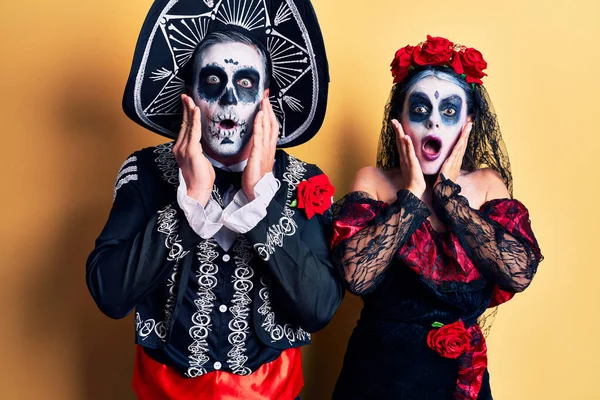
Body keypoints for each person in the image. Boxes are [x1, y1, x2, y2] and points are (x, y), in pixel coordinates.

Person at [86, 1, 342, 399]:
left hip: (269, 390)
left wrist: (261, 202)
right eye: (212, 81)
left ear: (265, 101)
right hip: (165, 390)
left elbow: (319, 307)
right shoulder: (146, 171)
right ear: (190, 97)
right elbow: (110, 294)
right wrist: (190, 200)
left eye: (244, 83)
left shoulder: (303, 181)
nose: (227, 101)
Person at [330, 35, 543, 400]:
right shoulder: (374, 181)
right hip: (377, 376)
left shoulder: (488, 184)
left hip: (458, 380)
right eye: (419, 109)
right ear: (399, 120)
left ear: (468, 123)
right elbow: (356, 277)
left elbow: (518, 273)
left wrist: (449, 197)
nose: (433, 124)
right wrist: (411, 197)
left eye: (448, 111)